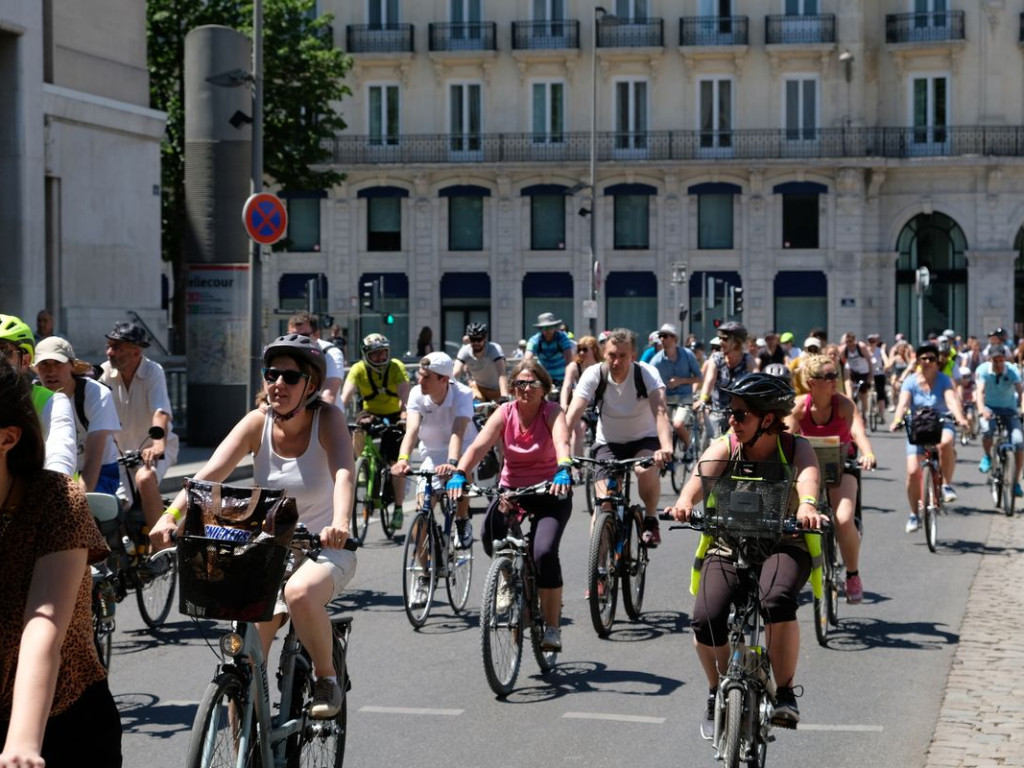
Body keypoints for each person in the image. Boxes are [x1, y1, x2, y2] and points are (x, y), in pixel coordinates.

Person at [151, 334, 356, 719]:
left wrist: (341, 522)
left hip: (324, 546)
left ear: (310, 385)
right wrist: (171, 515)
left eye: (290, 377)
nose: (278, 383)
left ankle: (327, 676)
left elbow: (344, 472)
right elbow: (209, 475)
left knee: (298, 594)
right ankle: (245, 748)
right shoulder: (255, 423)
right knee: (243, 663)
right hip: (270, 549)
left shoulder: (327, 419)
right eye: (271, 374)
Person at [666, 373, 824, 735]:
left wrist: (808, 506)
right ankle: (717, 688)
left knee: (776, 599)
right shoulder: (728, 445)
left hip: (784, 543)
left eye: (740, 414)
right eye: (730, 413)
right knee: (706, 618)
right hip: (730, 543)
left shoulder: (795, 447)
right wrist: (684, 501)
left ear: (767, 420)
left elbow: (808, 478)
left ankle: (785, 693)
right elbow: (701, 473)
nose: (731, 421)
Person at [0, 361, 122, 766]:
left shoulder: (55, 501)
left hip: (61, 723)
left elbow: (42, 625)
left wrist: (21, 742)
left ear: (7, 438)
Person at [447, 359, 572, 651]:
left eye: (532, 384)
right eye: (519, 383)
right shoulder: (505, 412)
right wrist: (459, 473)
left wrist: (564, 467)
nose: (525, 389)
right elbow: (479, 445)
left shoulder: (552, 412)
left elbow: (562, 440)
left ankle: (552, 627)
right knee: (491, 533)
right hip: (513, 490)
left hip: (550, 490)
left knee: (543, 552)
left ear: (544, 388)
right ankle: (508, 577)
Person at [566, 329, 674, 547]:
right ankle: (599, 571)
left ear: (633, 356)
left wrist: (666, 447)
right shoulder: (594, 374)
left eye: (622, 356)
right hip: (609, 443)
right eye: (611, 355)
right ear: (604, 353)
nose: (616, 361)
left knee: (644, 470)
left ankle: (651, 519)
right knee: (604, 504)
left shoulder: (646, 373)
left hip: (644, 439)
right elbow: (572, 414)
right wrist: (558, 451)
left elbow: (660, 412)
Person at [785, 355, 877, 604]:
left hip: (841, 467)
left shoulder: (844, 404)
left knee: (844, 519)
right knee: (791, 521)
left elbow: (858, 431)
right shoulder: (798, 407)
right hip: (807, 471)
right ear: (811, 382)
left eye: (835, 374)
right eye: (827, 377)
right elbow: (785, 437)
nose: (833, 380)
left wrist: (867, 453)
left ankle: (852, 574)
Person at [392, 353, 478, 607]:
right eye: (419, 374)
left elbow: (458, 430)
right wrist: (403, 458)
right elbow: (412, 430)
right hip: (431, 453)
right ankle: (424, 576)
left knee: (463, 474)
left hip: (461, 449)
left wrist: (452, 465)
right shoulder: (417, 394)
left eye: (426, 376)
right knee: (422, 514)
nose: (420, 380)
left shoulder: (462, 393)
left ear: (444, 379)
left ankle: (462, 519)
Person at [98, 321, 180, 528]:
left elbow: (160, 411)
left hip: (152, 450)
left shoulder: (153, 371)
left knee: (145, 478)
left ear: (136, 352)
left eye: (116, 347)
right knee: (114, 502)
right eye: (109, 345)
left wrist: (158, 443)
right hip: (119, 453)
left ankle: (158, 547)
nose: (109, 352)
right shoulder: (105, 372)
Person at [890, 343, 969, 533]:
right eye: (923, 358)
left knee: (945, 443)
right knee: (912, 471)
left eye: (931, 359)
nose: (927, 362)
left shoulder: (944, 379)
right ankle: (914, 514)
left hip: (942, 422)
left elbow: (951, 400)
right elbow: (903, 403)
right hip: (919, 426)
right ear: (917, 361)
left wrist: (960, 418)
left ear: (937, 362)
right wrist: (897, 419)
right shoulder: (910, 381)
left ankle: (947, 486)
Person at [34, 337, 123, 495]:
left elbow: (94, 457)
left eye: (58, 363)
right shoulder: (32, 397)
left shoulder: (96, 394)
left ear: (72, 366)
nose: (51, 371)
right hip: (52, 473)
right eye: (44, 364)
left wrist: (78, 500)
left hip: (99, 472)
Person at [340, 333, 410, 516]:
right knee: (358, 428)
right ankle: (362, 464)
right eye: (374, 354)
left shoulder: (396, 367)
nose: (379, 357)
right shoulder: (358, 369)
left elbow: (405, 394)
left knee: (396, 461)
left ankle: (399, 508)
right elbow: (345, 396)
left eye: (383, 353)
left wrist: (405, 414)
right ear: (366, 355)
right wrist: (337, 415)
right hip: (369, 412)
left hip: (395, 414)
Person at [0, 313, 76, 476]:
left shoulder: (54, 402)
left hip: (42, 496)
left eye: (4, 352)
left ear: (25, 361)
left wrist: (52, 487)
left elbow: (60, 452)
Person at [974, 345, 1024, 496]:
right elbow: (980, 392)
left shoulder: (1013, 371)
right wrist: (982, 410)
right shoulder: (983, 371)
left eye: (1001, 360)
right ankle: (988, 456)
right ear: (990, 360)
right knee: (987, 430)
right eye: (995, 360)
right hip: (989, 408)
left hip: (1008, 409)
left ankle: (1015, 482)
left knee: (1018, 442)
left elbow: (1021, 392)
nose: (999, 363)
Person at [694, 321, 756, 438]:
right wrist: (702, 399)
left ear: (737, 342)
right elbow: (709, 382)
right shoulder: (716, 358)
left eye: (725, 339)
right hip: (719, 412)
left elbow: (756, 383)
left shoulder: (748, 360)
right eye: (720, 338)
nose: (720, 342)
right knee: (714, 444)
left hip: (740, 413)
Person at [649, 323, 703, 459]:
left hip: (684, 398)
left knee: (678, 424)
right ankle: (665, 456)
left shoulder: (687, 355)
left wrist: (681, 381)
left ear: (675, 338)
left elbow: (699, 378)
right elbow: (648, 382)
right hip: (665, 400)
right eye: (661, 336)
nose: (662, 339)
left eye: (666, 336)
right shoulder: (656, 361)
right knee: (661, 427)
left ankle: (688, 445)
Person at [289, 312, 345, 406]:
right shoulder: (284, 353)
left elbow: (329, 394)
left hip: (325, 416)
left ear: (317, 335)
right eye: (292, 337)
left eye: (304, 336)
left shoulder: (330, 353)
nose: (297, 341)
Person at [560, 335, 602, 458]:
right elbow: (566, 386)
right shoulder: (574, 367)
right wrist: (564, 404)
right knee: (579, 429)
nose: (581, 353)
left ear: (594, 350)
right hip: (581, 404)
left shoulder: (601, 367)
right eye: (579, 350)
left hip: (598, 404)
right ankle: (577, 466)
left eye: (585, 349)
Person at [453, 322, 508, 402]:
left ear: (485, 338)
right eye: (473, 339)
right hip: (479, 388)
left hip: (497, 390)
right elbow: (455, 373)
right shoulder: (465, 350)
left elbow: (502, 374)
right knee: (475, 407)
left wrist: (504, 395)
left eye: (479, 339)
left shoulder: (494, 349)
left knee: (498, 411)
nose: (476, 343)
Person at [524, 312, 574, 386]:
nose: (547, 330)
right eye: (544, 327)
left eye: (550, 327)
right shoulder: (535, 340)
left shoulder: (562, 338)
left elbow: (568, 357)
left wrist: (568, 378)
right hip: (544, 379)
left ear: (555, 327)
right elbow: (527, 359)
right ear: (540, 329)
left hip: (562, 378)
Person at [841, 332, 872, 416]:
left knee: (863, 393)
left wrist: (870, 376)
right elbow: (840, 361)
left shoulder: (861, 347)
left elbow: (869, 361)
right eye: (847, 342)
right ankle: (854, 412)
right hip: (852, 372)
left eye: (850, 341)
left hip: (863, 372)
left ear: (854, 341)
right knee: (852, 390)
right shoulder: (844, 349)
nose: (849, 344)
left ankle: (864, 414)